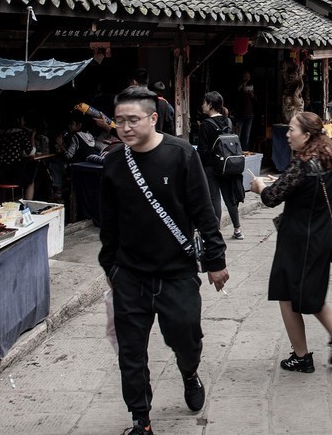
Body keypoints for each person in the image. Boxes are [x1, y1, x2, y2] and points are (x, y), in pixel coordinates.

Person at [98, 87, 229, 435]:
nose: (124, 128)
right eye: (119, 121)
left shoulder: (181, 155)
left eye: (133, 120)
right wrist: (110, 266)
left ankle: (189, 371)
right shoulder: (113, 162)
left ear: (153, 118)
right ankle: (141, 420)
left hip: (177, 275)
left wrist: (215, 260)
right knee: (131, 355)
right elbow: (108, 222)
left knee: (187, 340)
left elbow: (205, 212)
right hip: (130, 276)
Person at [249, 111, 332, 373]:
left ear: (307, 135)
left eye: (292, 130)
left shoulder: (303, 164)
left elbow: (272, 197)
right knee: (309, 291)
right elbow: (298, 190)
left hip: (299, 239)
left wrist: (259, 186)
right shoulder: (329, 159)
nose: (286, 134)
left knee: (290, 293)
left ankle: (304, 354)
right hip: (319, 234)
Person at [198, 91, 245, 241]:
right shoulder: (228, 122)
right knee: (229, 197)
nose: (202, 105)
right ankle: (237, 229)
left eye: (204, 102)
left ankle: (215, 232)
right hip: (228, 165)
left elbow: (203, 151)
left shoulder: (206, 125)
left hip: (211, 167)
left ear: (210, 105)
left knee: (214, 199)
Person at [50, 111, 99, 202]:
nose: (69, 126)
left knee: (56, 164)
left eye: (72, 124)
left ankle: (59, 193)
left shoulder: (75, 137)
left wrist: (60, 145)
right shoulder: (90, 135)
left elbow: (69, 156)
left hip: (76, 169)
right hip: (88, 167)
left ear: (79, 125)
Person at [0, 110, 37, 199]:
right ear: (18, 120)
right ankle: (27, 208)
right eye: (23, 120)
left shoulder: (1, 133)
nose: (24, 122)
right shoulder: (21, 133)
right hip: (13, 171)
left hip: (1, 172)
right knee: (30, 182)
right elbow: (31, 153)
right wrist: (32, 137)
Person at [235, 70, 256, 149]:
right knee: (238, 134)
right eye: (245, 76)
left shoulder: (252, 86)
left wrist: (251, 93)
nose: (246, 78)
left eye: (248, 76)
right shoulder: (239, 84)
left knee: (246, 136)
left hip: (249, 114)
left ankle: (244, 151)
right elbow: (237, 91)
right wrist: (243, 84)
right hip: (240, 114)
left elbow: (255, 99)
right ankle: (237, 150)